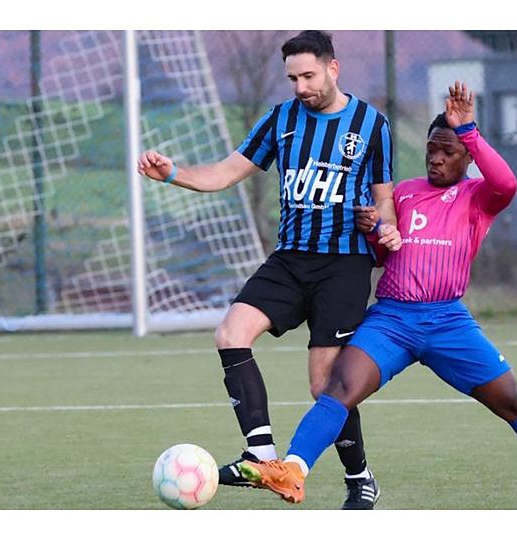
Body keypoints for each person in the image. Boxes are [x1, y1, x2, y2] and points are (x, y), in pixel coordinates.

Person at [236, 81, 517, 509]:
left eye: (448, 150)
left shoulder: (478, 196)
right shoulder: (403, 193)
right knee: (337, 387)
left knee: (512, 401)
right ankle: (293, 471)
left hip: (448, 321)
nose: (436, 157)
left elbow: (507, 182)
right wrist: (373, 228)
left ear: (467, 155)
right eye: (432, 148)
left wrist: (469, 130)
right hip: (392, 319)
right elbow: (380, 252)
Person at [137, 30, 401, 510]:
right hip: (289, 258)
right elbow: (224, 172)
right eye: (292, 78)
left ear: (332, 68)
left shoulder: (371, 124)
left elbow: (385, 198)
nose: (300, 86)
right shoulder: (280, 120)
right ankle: (260, 453)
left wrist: (384, 226)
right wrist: (173, 174)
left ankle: (360, 478)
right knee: (230, 333)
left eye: (308, 75)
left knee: (326, 386)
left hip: (342, 265)